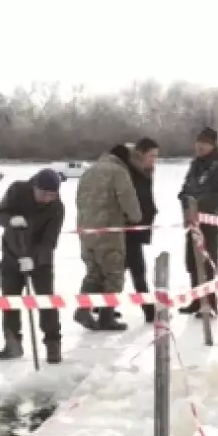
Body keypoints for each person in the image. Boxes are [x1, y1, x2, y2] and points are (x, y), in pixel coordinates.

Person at [0, 168, 65, 364]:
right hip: (11, 255)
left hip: (40, 262)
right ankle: (12, 344)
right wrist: (10, 220)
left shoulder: (57, 208)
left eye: (52, 195)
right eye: (43, 193)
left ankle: (53, 344)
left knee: (46, 300)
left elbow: (49, 241)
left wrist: (34, 259)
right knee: (10, 301)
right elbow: (0, 214)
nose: (47, 199)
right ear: (34, 187)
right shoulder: (17, 191)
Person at [74, 144, 144, 332]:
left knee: (93, 272)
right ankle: (106, 317)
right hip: (108, 231)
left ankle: (83, 309)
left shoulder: (89, 171)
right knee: (114, 274)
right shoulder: (118, 171)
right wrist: (136, 217)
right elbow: (128, 199)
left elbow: (79, 200)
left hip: (86, 231)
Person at [177, 127, 218, 315]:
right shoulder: (195, 165)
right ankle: (197, 299)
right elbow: (185, 189)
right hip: (192, 222)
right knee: (192, 262)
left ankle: (210, 303)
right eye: (198, 142)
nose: (200, 146)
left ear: (213, 145)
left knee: (208, 263)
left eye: (205, 143)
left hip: (209, 223)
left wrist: (198, 206)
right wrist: (185, 202)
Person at [119, 138, 160, 323]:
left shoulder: (145, 171)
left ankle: (102, 308)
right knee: (136, 269)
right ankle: (149, 311)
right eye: (152, 156)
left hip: (138, 226)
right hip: (128, 227)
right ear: (141, 154)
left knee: (122, 270)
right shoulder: (128, 171)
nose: (154, 160)